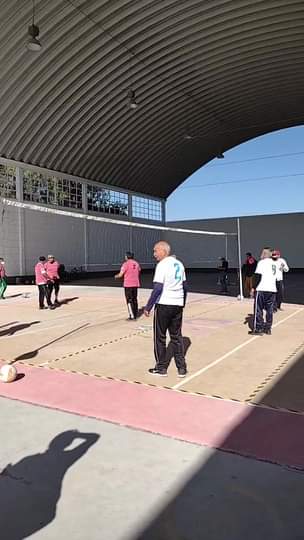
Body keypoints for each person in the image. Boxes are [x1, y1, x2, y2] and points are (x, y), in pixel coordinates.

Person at [144, 241, 188, 377]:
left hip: (164, 304)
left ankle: (161, 367)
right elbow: (185, 286)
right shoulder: (179, 264)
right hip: (177, 304)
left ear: (163, 251)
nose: (154, 254)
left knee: (160, 337)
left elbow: (158, 287)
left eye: (155, 251)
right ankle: (182, 368)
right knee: (176, 337)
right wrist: (182, 302)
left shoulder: (162, 265)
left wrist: (148, 306)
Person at [249, 248, 278, 336]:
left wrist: (253, 288)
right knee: (269, 309)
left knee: (258, 309)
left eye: (262, 253)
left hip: (262, 288)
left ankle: (258, 328)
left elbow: (257, 276)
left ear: (266, 254)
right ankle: (268, 328)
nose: (261, 254)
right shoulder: (275, 263)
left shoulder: (262, 263)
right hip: (272, 289)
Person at [115, 251, 141, 320]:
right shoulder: (136, 263)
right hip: (135, 284)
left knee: (129, 300)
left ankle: (132, 315)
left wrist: (116, 276)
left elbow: (121, 274)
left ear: (127, 257)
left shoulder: (125, 264)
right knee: (134, 299)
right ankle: (135, 313)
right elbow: (139, 270)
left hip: (128, 284)